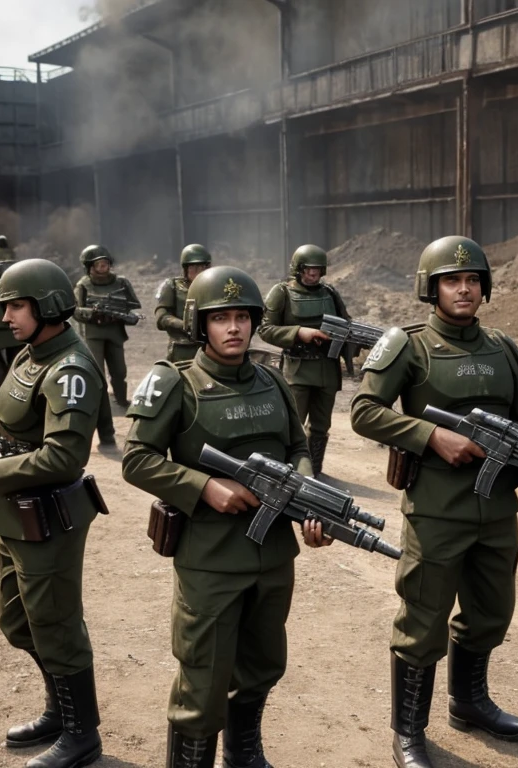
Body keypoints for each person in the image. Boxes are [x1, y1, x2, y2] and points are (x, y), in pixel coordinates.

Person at [349, 236, 518, 768]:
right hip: (437, 510)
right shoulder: (407, 346)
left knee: (491, 612)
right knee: (423, 618)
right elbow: (365, 410)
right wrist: (430, 436)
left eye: (472, 281)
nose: (463, 289)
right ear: (431, 288)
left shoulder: (502, 348)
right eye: (451, 281)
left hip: (497, 509)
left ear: (483, 288)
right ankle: (409, 730)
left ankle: (470, 702)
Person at [122, 265, 331, 768]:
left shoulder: (273, 381)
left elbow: (298, 446)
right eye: (221, 318)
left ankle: (243, 750)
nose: (234, 327)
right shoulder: (174, 382)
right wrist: (205, 487)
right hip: (210, 559)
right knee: (204, 675)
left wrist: (308, 494)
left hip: (273, 552)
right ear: (200, 324)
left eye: (242, 317)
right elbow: (137, 459)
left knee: (263, 663)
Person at [0, 258, 110, 768]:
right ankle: (59, 711)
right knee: (18, 619)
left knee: (56, 624)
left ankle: (82, 735)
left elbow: (64, 455)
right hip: (16, 513)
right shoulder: (30, 355)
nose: (6, 316)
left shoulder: (70, 368)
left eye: (15, 305)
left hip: (49, 516)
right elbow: (18, 430)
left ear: (47, 306)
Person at [258, 244, 351, 477]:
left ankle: (314, 472)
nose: (313, 274)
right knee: (292, 424)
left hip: (327, 369)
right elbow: (265, 328)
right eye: (308, 270)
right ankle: (287, 472)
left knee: (321, 426)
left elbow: (346, 323)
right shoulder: (282, 292)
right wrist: (298, 333)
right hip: (297, 369)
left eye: (317, 270)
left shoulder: (329, 293)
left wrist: (353, 340)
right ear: (298, 269)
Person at [73, 244, 141, 409]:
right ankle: (99, 404)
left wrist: (120, 313)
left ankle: (121, 399)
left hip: (115, 331)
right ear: (89, 267)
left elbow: (132, 304)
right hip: (93, 333)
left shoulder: (121, 282)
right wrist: (93, 313)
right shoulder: (83, 285)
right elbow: (75, 311)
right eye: (98, 264)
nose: (103, 268)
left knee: (119, 370)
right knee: (96, 371)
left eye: (105, 263)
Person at [154, 243, 212, 363]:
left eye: (202, 267)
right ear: (185, 269)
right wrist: (185, 325)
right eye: (194, 268)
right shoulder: (172, 286)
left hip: (210, 345)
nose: (199, 272)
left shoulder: (214, 287)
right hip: (183, 347)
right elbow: (161, 317)